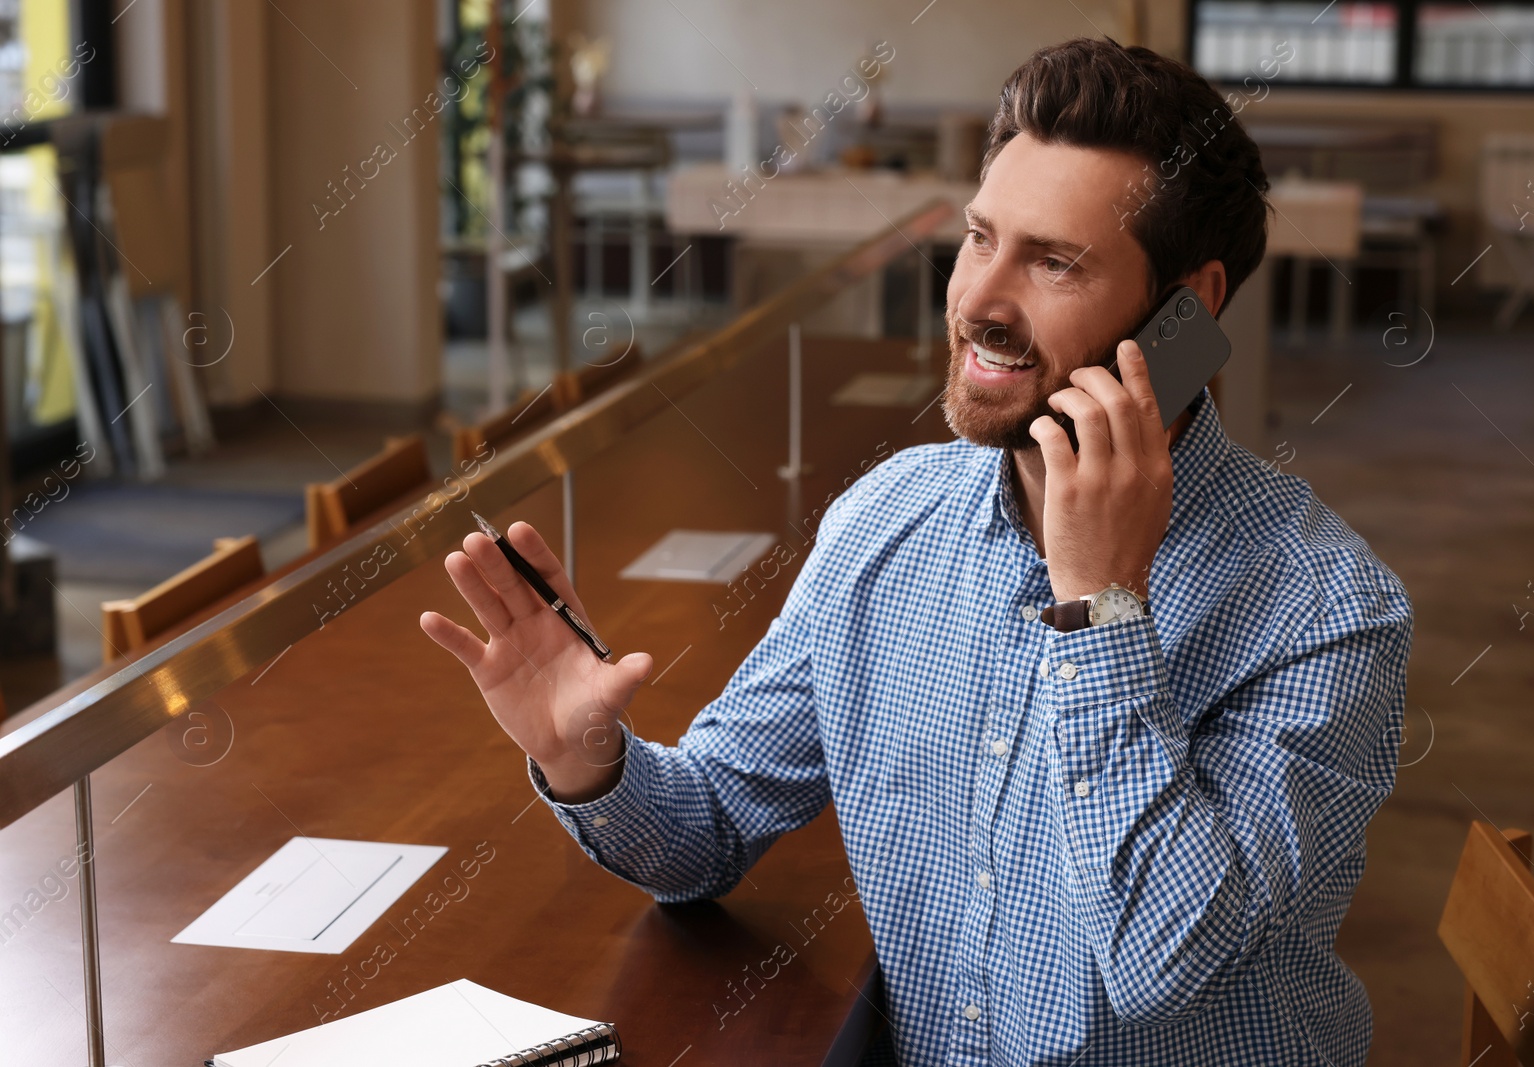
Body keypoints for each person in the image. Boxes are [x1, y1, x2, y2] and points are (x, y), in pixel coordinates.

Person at [420, 38, 1413, 1067]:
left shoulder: (1325, 611)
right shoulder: (887, 521)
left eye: (1054, 261)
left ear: (1184, 313)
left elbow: (1165, 960)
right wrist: (586, 761)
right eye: (981, 238)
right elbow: (708, 827)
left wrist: (1101, 605)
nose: (980, 300)